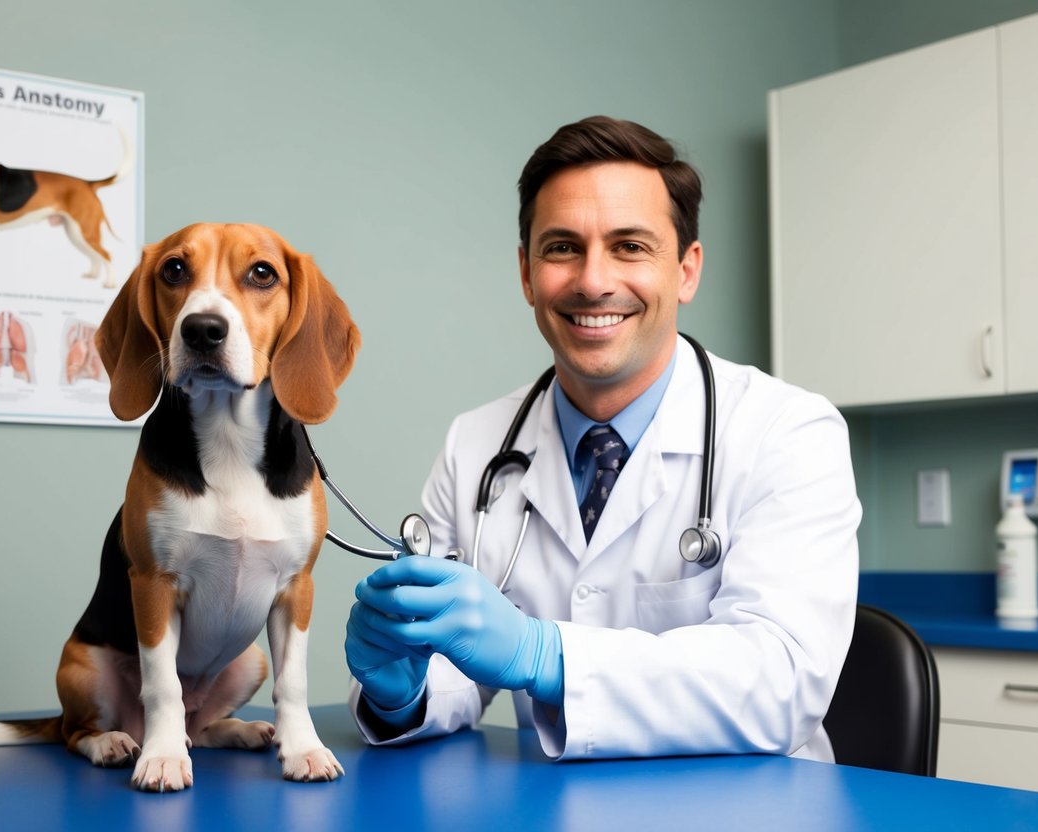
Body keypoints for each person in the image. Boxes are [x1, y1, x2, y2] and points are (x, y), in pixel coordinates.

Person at [344, 115, 860, 761]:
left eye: (630, 246)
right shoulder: (475, 444)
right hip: (544, 804)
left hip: (747, 802)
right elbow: (456, 665)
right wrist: (402, 691)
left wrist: (545, 654)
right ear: (526, 273)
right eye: (562, 247)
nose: (592, 281)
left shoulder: (788, 432)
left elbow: (780, 679)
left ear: (686, 271)